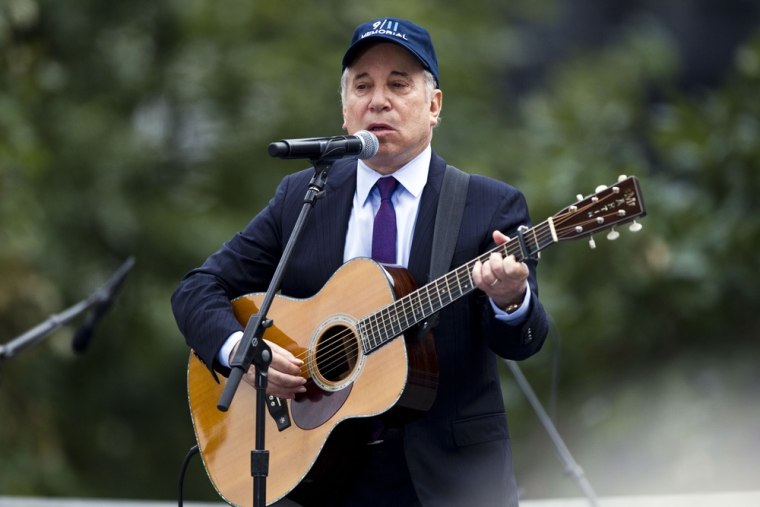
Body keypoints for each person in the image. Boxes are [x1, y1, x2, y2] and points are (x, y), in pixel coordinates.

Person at [172, 17, 549, 507]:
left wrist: (510, 298)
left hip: (445, 481)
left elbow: (526, 339)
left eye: (399, 83)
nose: (379, 100)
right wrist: (240, 352)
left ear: (434, 105)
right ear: (345, 111)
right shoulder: (305, 196)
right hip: (313, 475)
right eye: (362, 85)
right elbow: (198, 288)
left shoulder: (488, 206)